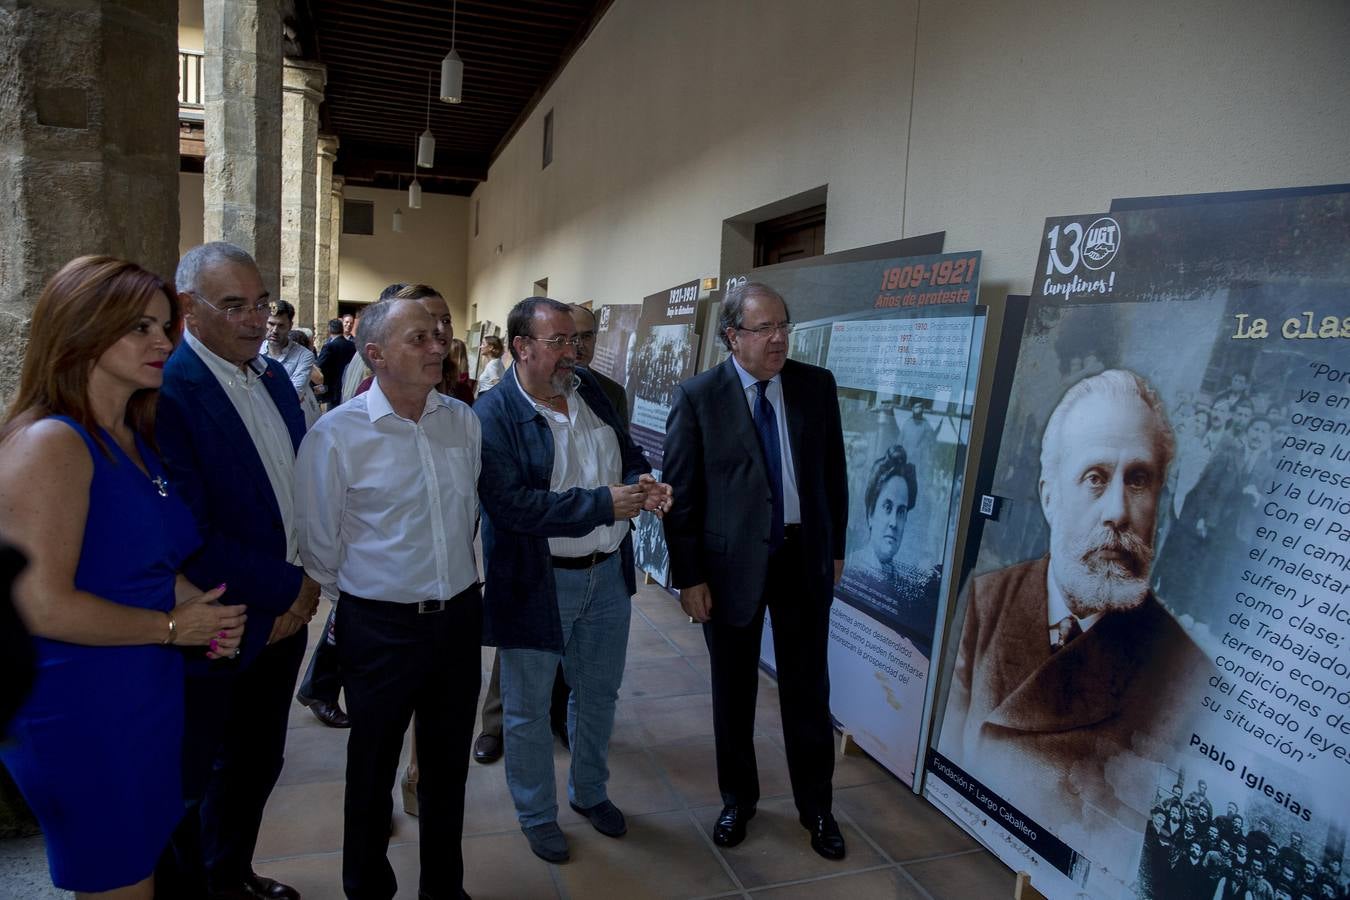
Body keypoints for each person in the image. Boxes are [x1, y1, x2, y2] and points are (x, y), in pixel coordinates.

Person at [0, 256, 244, 898]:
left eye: (165, 326)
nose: (163, 342)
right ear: (81, 329)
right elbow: (38, 605)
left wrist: (202, 610)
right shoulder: (52, 442)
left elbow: (139, 562)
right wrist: (173, 626)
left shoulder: (128, 434)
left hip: (140, 690)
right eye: (140, 327)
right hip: (81, 707)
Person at [943, 369, 1209, 846]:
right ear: (1050, 497)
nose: (1117, 511)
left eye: (1139, 480)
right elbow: (952, 744)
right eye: (1095, 477)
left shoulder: (1185, 672)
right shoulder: (988, 599)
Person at [295, 296, 483, 900]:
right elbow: (320, 545)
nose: (438, 347)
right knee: (372, 766)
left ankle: (444, 890)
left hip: (457, 619)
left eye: (438, 335)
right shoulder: (337, 436)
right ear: (374, 355)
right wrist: (374, 597)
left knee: (447, 768)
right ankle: (367, 887)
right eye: (419, 338)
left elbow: (467, 517)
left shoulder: (462, 421)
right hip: (379, 626)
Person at [474, 297, 671, 864]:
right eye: (558, 341)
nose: (573, 351)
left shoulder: (595, 393)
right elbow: (512, 506)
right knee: (528, 706)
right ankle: (537, 814)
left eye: (577, 340)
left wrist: (644, 483)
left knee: (599, 695)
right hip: (538, 581)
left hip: (607, 576)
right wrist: (601, 505)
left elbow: (628, 455)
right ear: (521, 347)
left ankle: (589, 793)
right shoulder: (492, 415)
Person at [662, 281, 849, 860]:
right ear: (730, 336)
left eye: (783, 326)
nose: (778, 338)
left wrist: (834, 547)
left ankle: (817, 808)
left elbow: (833, 474)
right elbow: (682, 496)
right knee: (733, 690)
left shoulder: (815, 386)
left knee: (807, 689)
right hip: (728, 568)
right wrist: (689, 577)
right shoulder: (698, 397)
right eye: (764, 328)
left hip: (800, 559)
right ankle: (738, 800)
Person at [157, 242, 320, 900]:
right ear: (190, 311)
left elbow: (295, 484)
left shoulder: (274, 376)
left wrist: (306, 580)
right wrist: (292, 589)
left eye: (261, 304)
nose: (256, 320)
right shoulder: (170, 390)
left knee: (258, 763)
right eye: (234, 306)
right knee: (196, 776)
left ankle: (231, 876)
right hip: (220, 620)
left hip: (287, 614)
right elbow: (189, 537)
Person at [837, 443, 941, 655]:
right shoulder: (852, 569)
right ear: (870, 514)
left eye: (901, 511)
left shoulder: (901, 582)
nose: (894, 521)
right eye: (887, 507)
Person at [262, 300, 321, 428]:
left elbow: (293, 395)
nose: (274, 330)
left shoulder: (304, 356)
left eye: (281, 326)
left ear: (290, 326)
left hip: (286, 423)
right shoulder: (254, 351)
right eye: (271, 324)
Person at [569, 304, 628, 422]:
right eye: (572, 337)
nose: (580, 345)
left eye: (586, 336)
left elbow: (621, 439)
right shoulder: (538, 386)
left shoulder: (614, 393)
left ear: (595, 339)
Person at [315, 317, 355, 409]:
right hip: (349, 384)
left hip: (333, 388)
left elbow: (319, 365)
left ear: (329, 329)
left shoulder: (329, 346)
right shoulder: (352, 345)